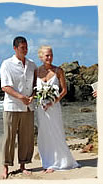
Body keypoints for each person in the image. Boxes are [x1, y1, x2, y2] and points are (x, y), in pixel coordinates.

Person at [36, 45, 80, 173]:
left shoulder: (58, 71)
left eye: (51, 55)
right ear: (41, 57)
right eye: (47, 55)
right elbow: (34, 90)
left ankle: (57, 162)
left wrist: (53, 102)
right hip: (41, 108)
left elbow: (64, 90)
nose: (50, 57)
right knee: (44, 134)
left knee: (56, 132)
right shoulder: (37, 71)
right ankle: (48, 161)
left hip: (53, 108)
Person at [0, 36, 37, 179]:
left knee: (26, 138)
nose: (25, 50)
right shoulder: (7, 64)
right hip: (12, 107)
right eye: (23, 48)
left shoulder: (32, 64)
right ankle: (5, 167)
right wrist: (20, 97)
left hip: (28, 107)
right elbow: (5, 86)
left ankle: (23, 165)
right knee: (9, 138)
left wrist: (33, 96)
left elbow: (35, 84)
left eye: (27, 47)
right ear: (15, 48)